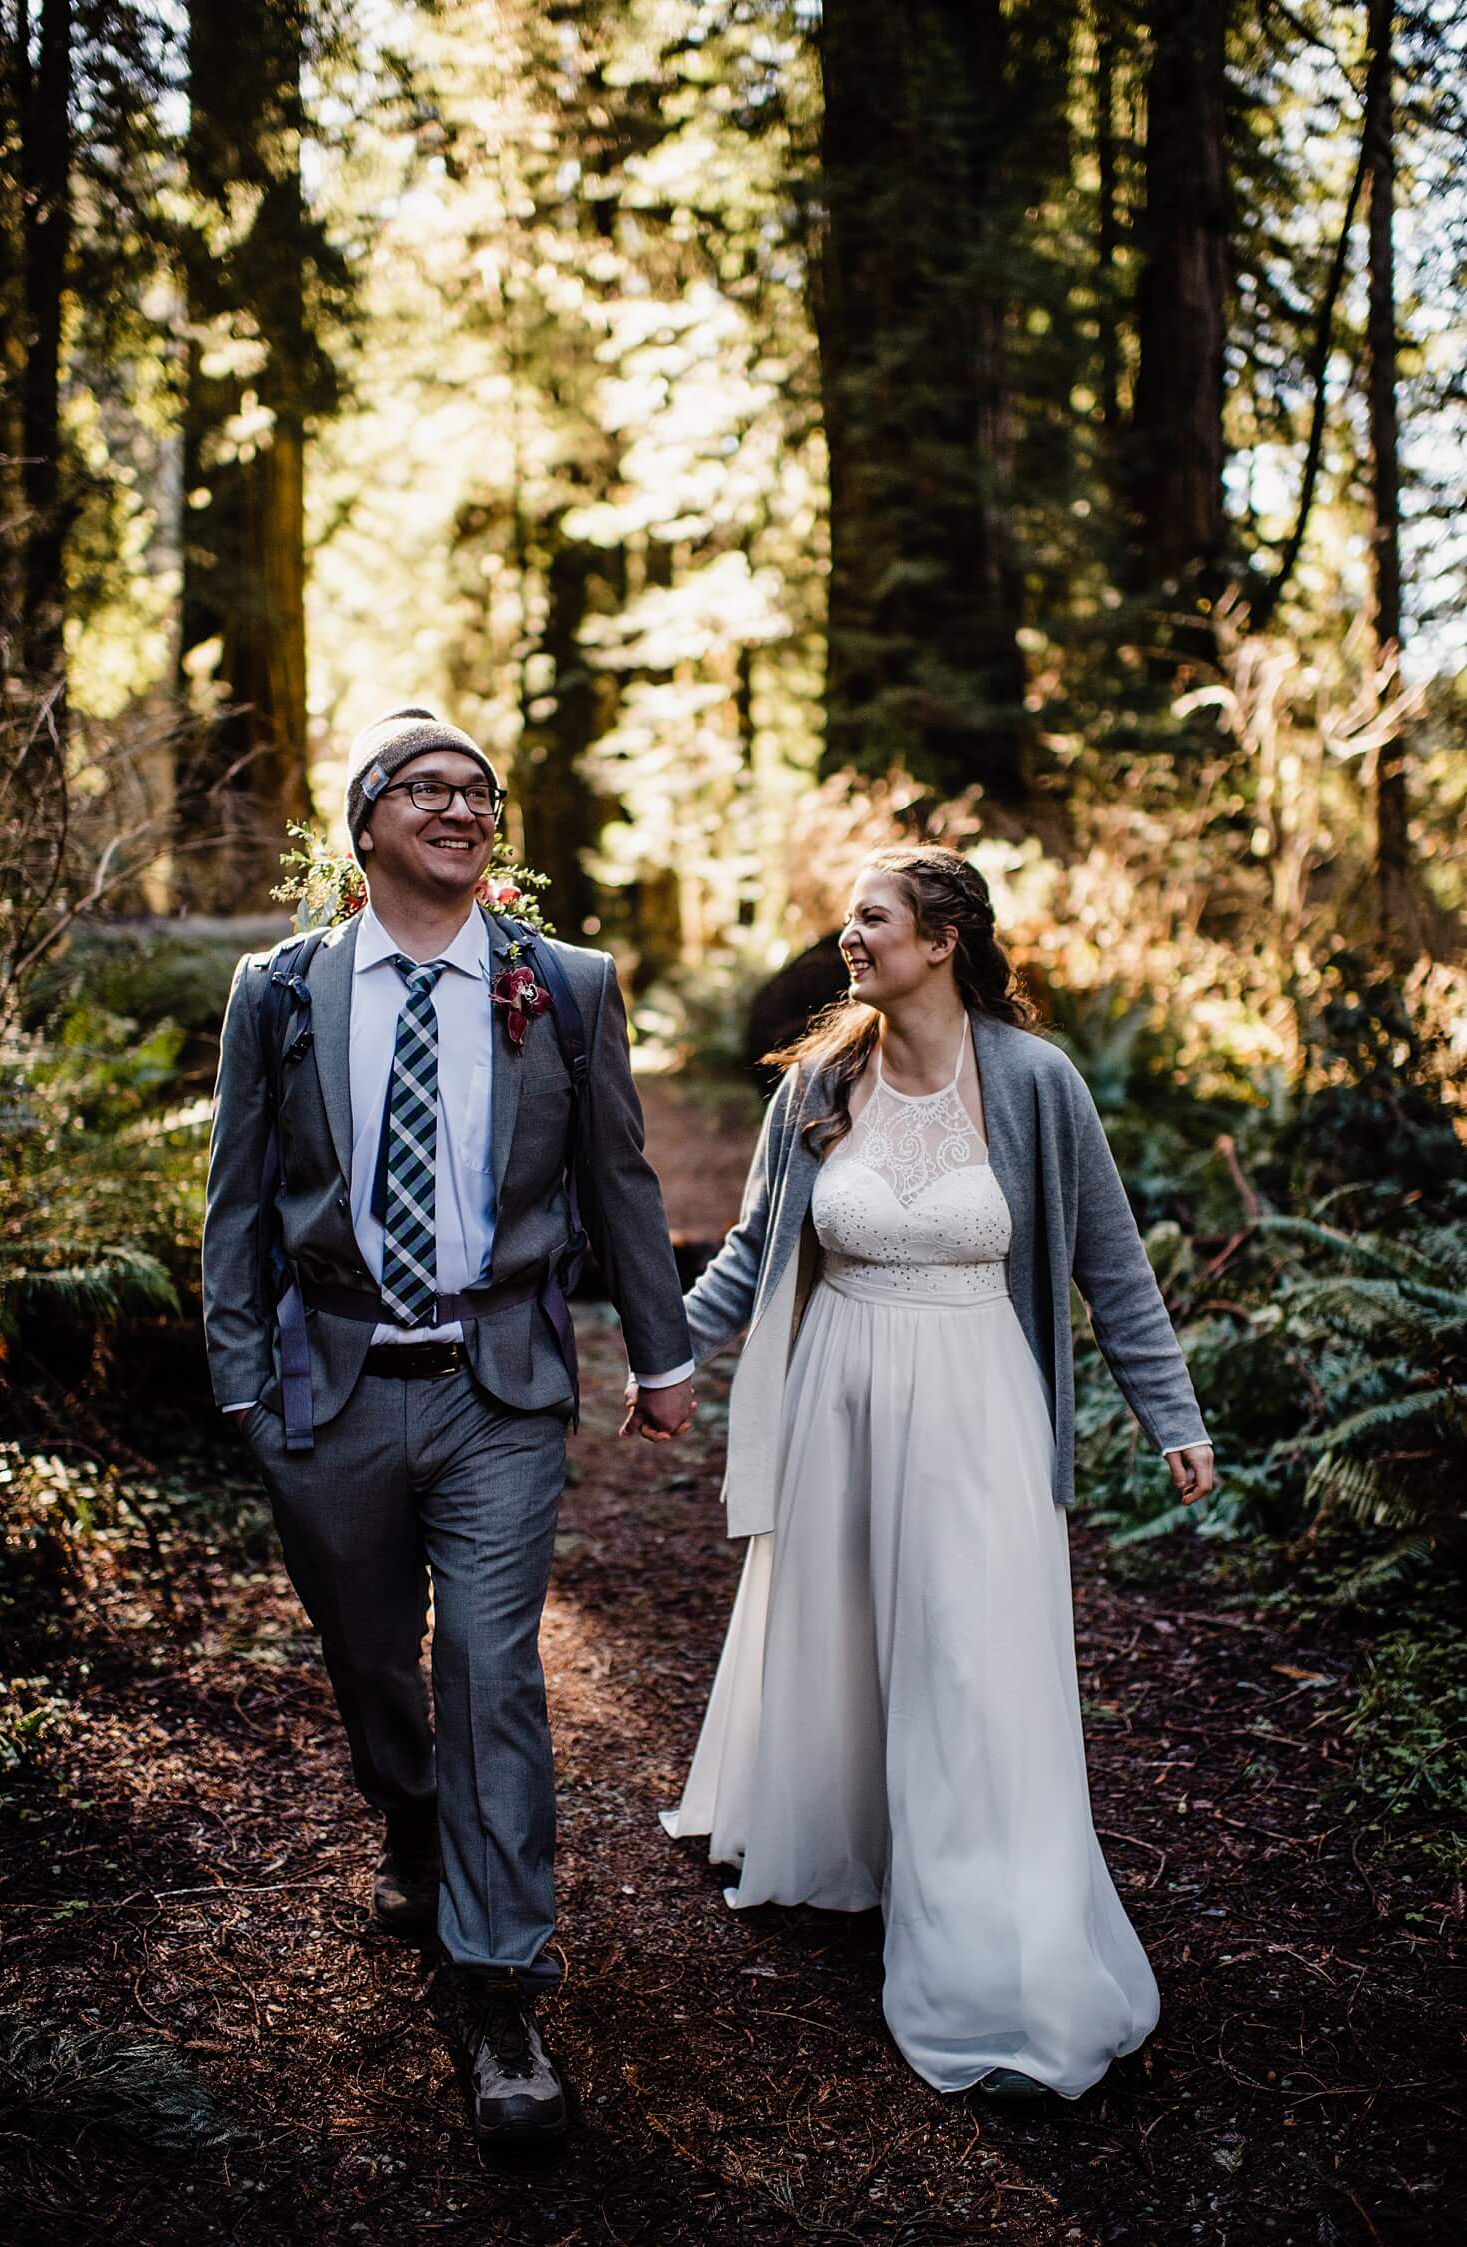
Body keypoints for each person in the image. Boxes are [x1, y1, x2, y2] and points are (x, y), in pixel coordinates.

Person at [203, 707, 694, 2151]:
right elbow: (236, 1197)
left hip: (500, 1385)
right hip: (327, 1382)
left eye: (479, 791)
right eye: (427, 787)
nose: (461, 807)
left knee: (491, 1670)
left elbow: (618, 1175)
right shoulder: (280, 991)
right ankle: (411, 1826)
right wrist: (241, 1380)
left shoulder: (566, 983)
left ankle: (498, 1987)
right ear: (366, 823)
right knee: (372, 1665)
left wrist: (661, 1354)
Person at [660, 846, 1216, 2103]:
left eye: (873, 918)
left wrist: (1171, 1414)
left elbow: (1111, 1265)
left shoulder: (1035, 1081)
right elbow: (753, 1255)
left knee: (969, 1662)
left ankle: (987, 1957)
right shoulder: (816, 1083)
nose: (849, 938)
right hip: (841, 1398)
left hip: (978, 1406)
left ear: (943, 936)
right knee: (853, 1635)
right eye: (849, 919)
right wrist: (663, 1359)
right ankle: (863, 1848)